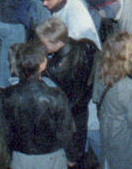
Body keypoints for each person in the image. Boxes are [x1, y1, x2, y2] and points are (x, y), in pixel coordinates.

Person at [0, 41, 76, 168]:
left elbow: (4, 130)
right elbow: (65, 130)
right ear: (42, 65)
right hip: (51, 157)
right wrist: (71, 156)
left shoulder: (7, 95)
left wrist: (7, 157)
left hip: (21, 156)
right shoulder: (55, 95)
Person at [37, 16, 98, 165]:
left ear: (57, 42)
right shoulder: (86, 45)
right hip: (83, 105)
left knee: (70, 150)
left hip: (68, 112)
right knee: (80, 143)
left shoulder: (53, 70)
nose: (41, 46)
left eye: (44, 43)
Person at [92, 31, 132, 169]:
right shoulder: (129, 86)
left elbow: (96, 97)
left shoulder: (102, 66)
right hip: (124, 140)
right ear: (126, 53)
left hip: (108, 130)